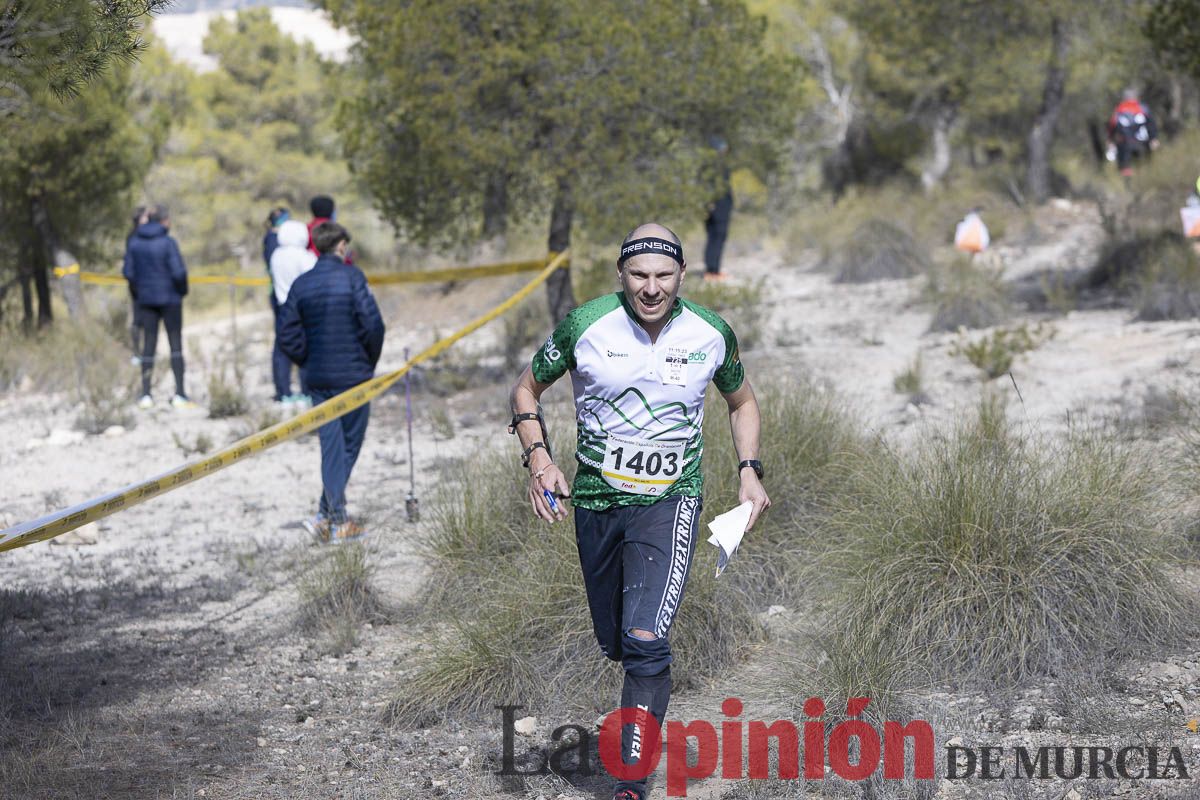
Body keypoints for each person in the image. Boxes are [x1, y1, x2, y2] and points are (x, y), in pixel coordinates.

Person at [508, 222, 770, 800]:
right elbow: (526, 390)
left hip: (669, 502)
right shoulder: (587, 325)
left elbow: (742, 401)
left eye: (663, 276)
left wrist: (749, 470)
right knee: (619, 642)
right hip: (597, 504)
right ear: (621, 274)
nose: (651, 288)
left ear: (681, 275)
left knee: (647, 636)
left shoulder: (709, 332)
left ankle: (631, 779)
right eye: (639, 275)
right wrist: (539, 460)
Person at [278, 222, 385, 543]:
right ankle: (338, 520)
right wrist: (368, 361)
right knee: (348, 445)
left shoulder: (302, 284)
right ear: (340, 246)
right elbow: (373, 325)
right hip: (353, 377)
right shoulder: (353, 277)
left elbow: (286, 333)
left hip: (318, 379)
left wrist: (306, 360)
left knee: (332, 447)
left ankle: (325, 515)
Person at [123, 205, 192, 409]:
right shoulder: (168, 243)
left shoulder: (135, 243)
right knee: (176, 346)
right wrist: (182, 291)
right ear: (163, 221)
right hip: (171, 301)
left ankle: (146, 394)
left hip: (146, 302)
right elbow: (179, 272)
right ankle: (179, 393)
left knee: (148, 347)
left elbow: (128, 272)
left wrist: (139, 291)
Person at [269, 219, 317, 407]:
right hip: (303, 307)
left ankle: (283, 391)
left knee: (282, 349)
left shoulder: (276, 255)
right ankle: (306, 390)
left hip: (282, 305)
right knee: (306, 349)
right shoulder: (304, 256)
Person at [1107, 88, 1159, 178]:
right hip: (1142, 142)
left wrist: (1110, 140)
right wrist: (1153, 138)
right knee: (1143, 164)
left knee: (1126, 166)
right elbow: (1151, 124)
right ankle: (1143, 181)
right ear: (1136, 97)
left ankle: (1129, 186)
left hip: (1125, 144)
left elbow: (1112, 126)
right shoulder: (1143, 108)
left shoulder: (1119, 109)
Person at [702, 137, 733, 282]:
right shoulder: (716, 167)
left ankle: (712, 270)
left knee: (714, 237)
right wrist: (711, 204)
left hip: (714, 206)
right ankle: (712, 271)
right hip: (718, 207)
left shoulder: (707, 166)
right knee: (717, 237)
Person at [125, 205, 149, 366]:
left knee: (148, 320)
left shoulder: (144, 235)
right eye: (146, 217)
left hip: (147, 284)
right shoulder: (133, 237)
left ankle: (147, 351)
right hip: (138, 286)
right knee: (137, 320)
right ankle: (137, 352)